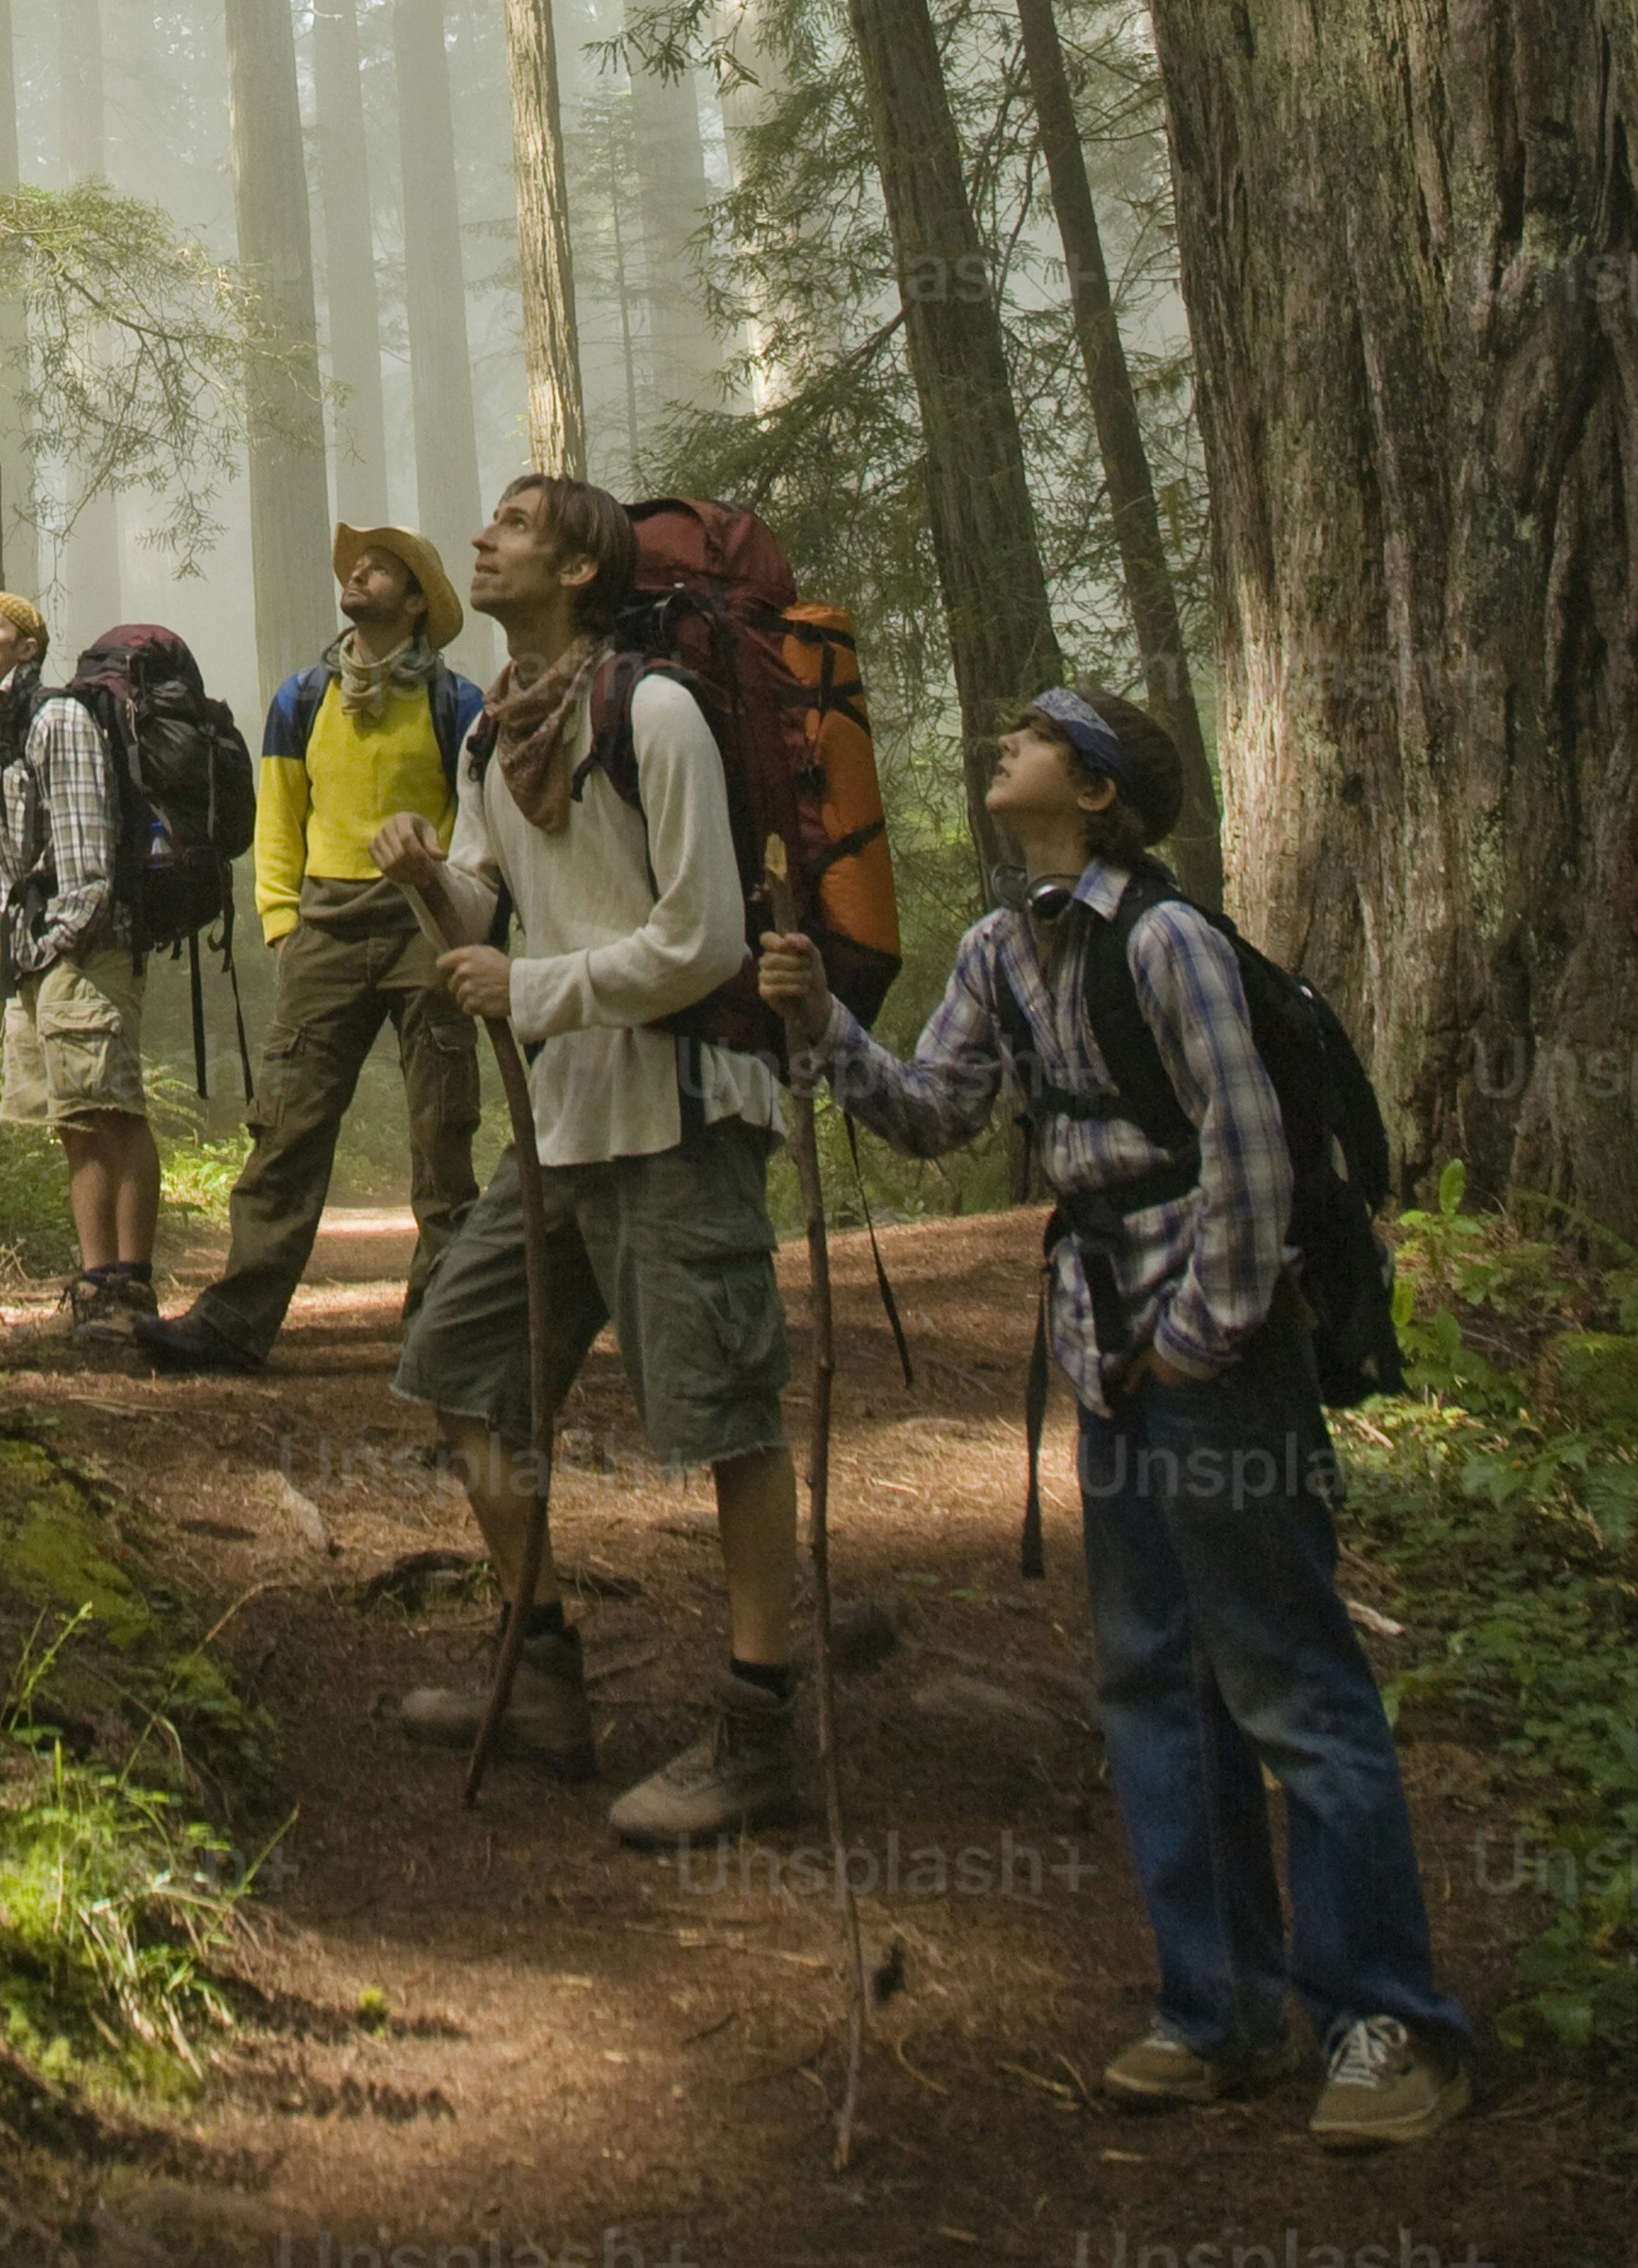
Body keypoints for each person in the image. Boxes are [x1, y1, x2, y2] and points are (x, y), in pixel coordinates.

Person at [758, 687, 1472, 2153]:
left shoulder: (1166, 937)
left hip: (1213, 1356)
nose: (997, 747)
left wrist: (1201, 1336)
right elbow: (933, 1112)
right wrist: (821, 1021)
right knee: (1153, 1676)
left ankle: (1387, 2018)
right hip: (1105, 1352)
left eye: (1028, 737)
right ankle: (1217, 2010)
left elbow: (1250, 1145)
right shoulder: (999, 946)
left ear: (1092, 790)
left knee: (1285, 1674)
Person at [379, 467, 802, 1841]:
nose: (481, 538)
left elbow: (708, 939)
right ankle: (543, 1665)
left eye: (510, 526)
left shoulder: (656, 709)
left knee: (724, 1415)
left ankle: (757, 1724)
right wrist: (419, 877)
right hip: (564, 1122)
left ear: (578, 573)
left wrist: (537, 988)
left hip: (681, 1108)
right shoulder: (495, 733)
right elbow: (480, 908)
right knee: (460, 1361)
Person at [136, 524, 482, 1372]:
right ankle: (232, 1325)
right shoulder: (302, 695)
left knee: (442, 1133)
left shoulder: (457, 703)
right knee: (285, 1128)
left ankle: (440, 1336)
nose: (358, 572)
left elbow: (473, 821)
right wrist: (283, 924)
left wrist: (459, 917)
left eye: (380, 568)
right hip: (325, 923)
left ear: (413, 602)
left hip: (425, 923)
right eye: (356, 565)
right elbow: (281, 813)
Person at [0, 587, 161, 1360]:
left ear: (26, 647)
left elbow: (87, 861)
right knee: (75, 1122)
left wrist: (56, 942)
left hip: (87, 948)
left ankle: (131, 1291)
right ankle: (95, 1290)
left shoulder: (58, 721)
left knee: (112, 1111)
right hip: (39, 952)